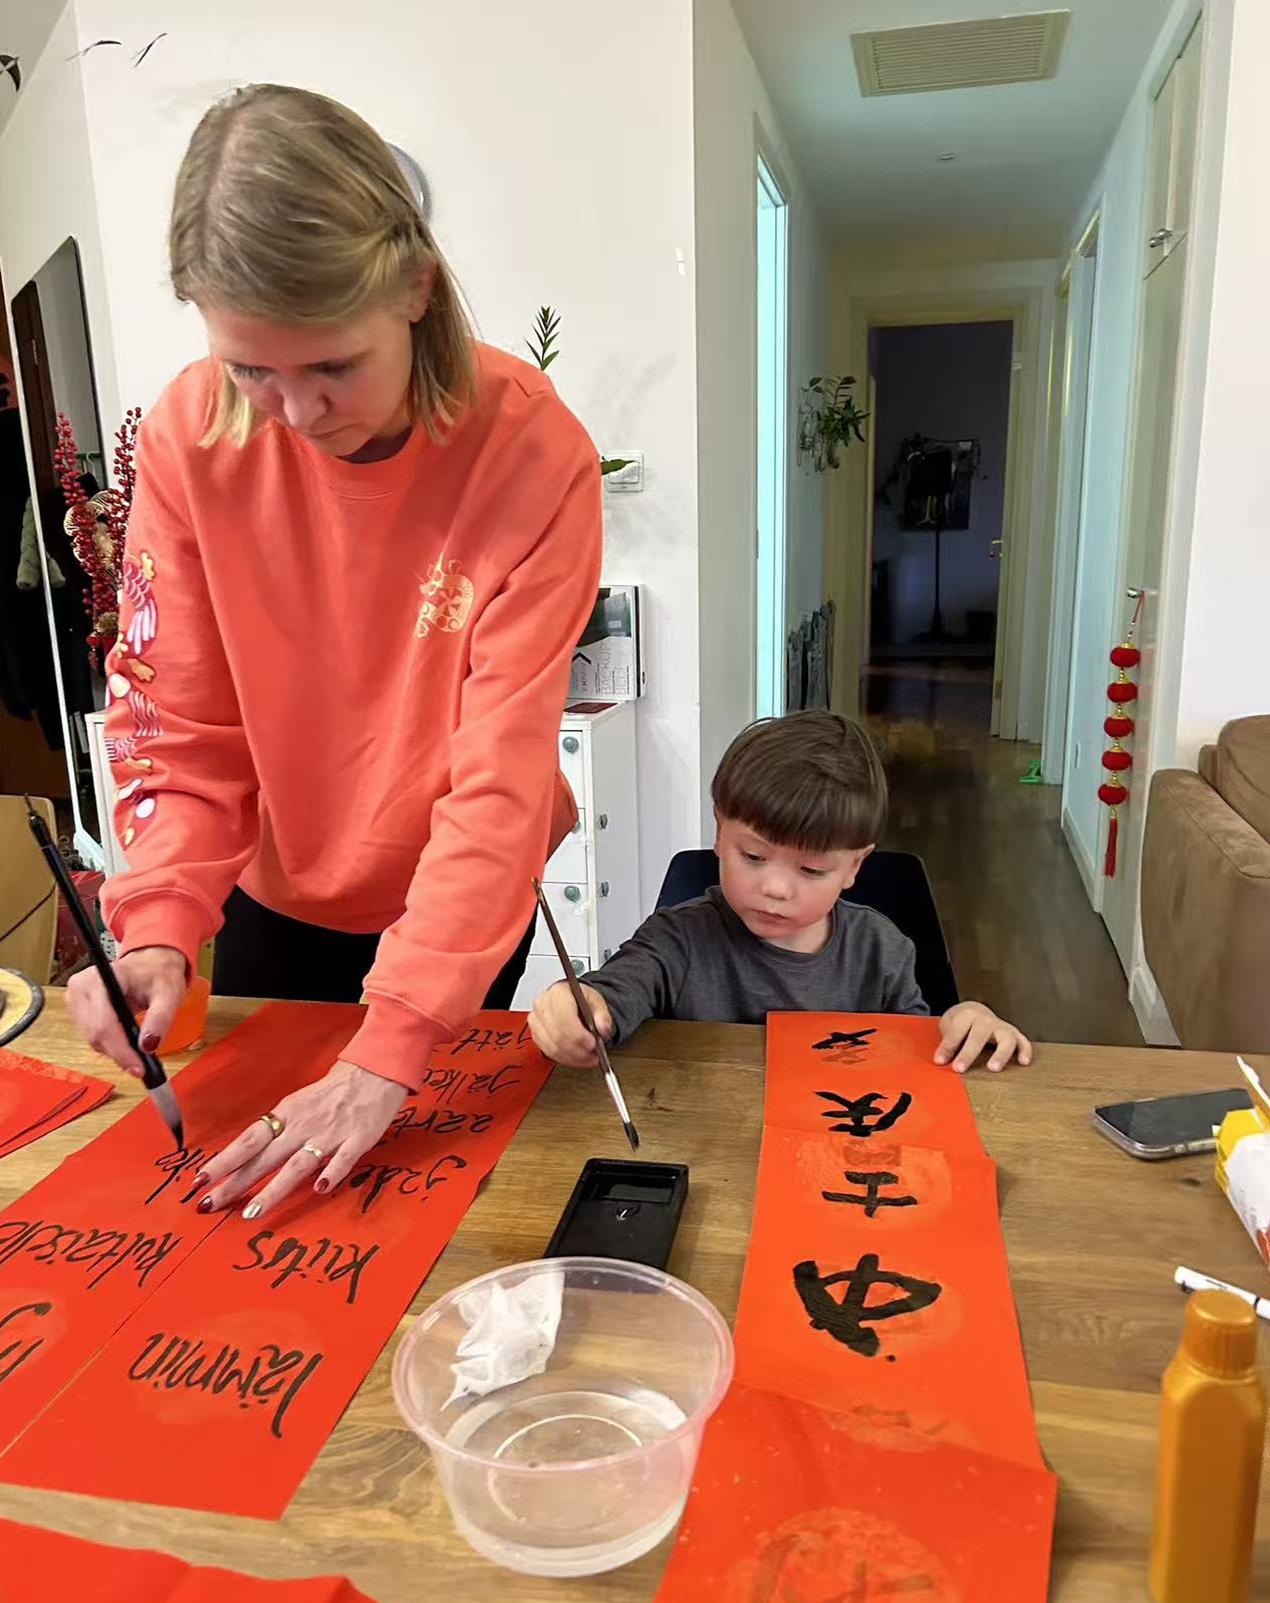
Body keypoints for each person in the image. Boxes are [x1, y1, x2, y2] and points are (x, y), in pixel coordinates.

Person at [66, 85, 602, 1217]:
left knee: (429, 1208)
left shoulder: (530, 451)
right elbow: (178, 721)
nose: (295, 415)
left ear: (414, 287)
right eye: (252, 371)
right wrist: (156, 927)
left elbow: (497, 779)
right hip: (272, 884)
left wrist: (393, 1043)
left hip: (455, 900)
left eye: (330, 368)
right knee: (259, 1201)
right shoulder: (187, 436)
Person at [530, 711, 1033, 1073]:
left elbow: (920, 1051)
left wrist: (966, 1020)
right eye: (752, 857)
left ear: (854, 867)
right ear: (719, 834)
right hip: (707, 1146)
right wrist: (577, 1005)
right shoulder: (678, 939)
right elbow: (616, 991)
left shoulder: (880, 950)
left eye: (812, 870)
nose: (774, 888)